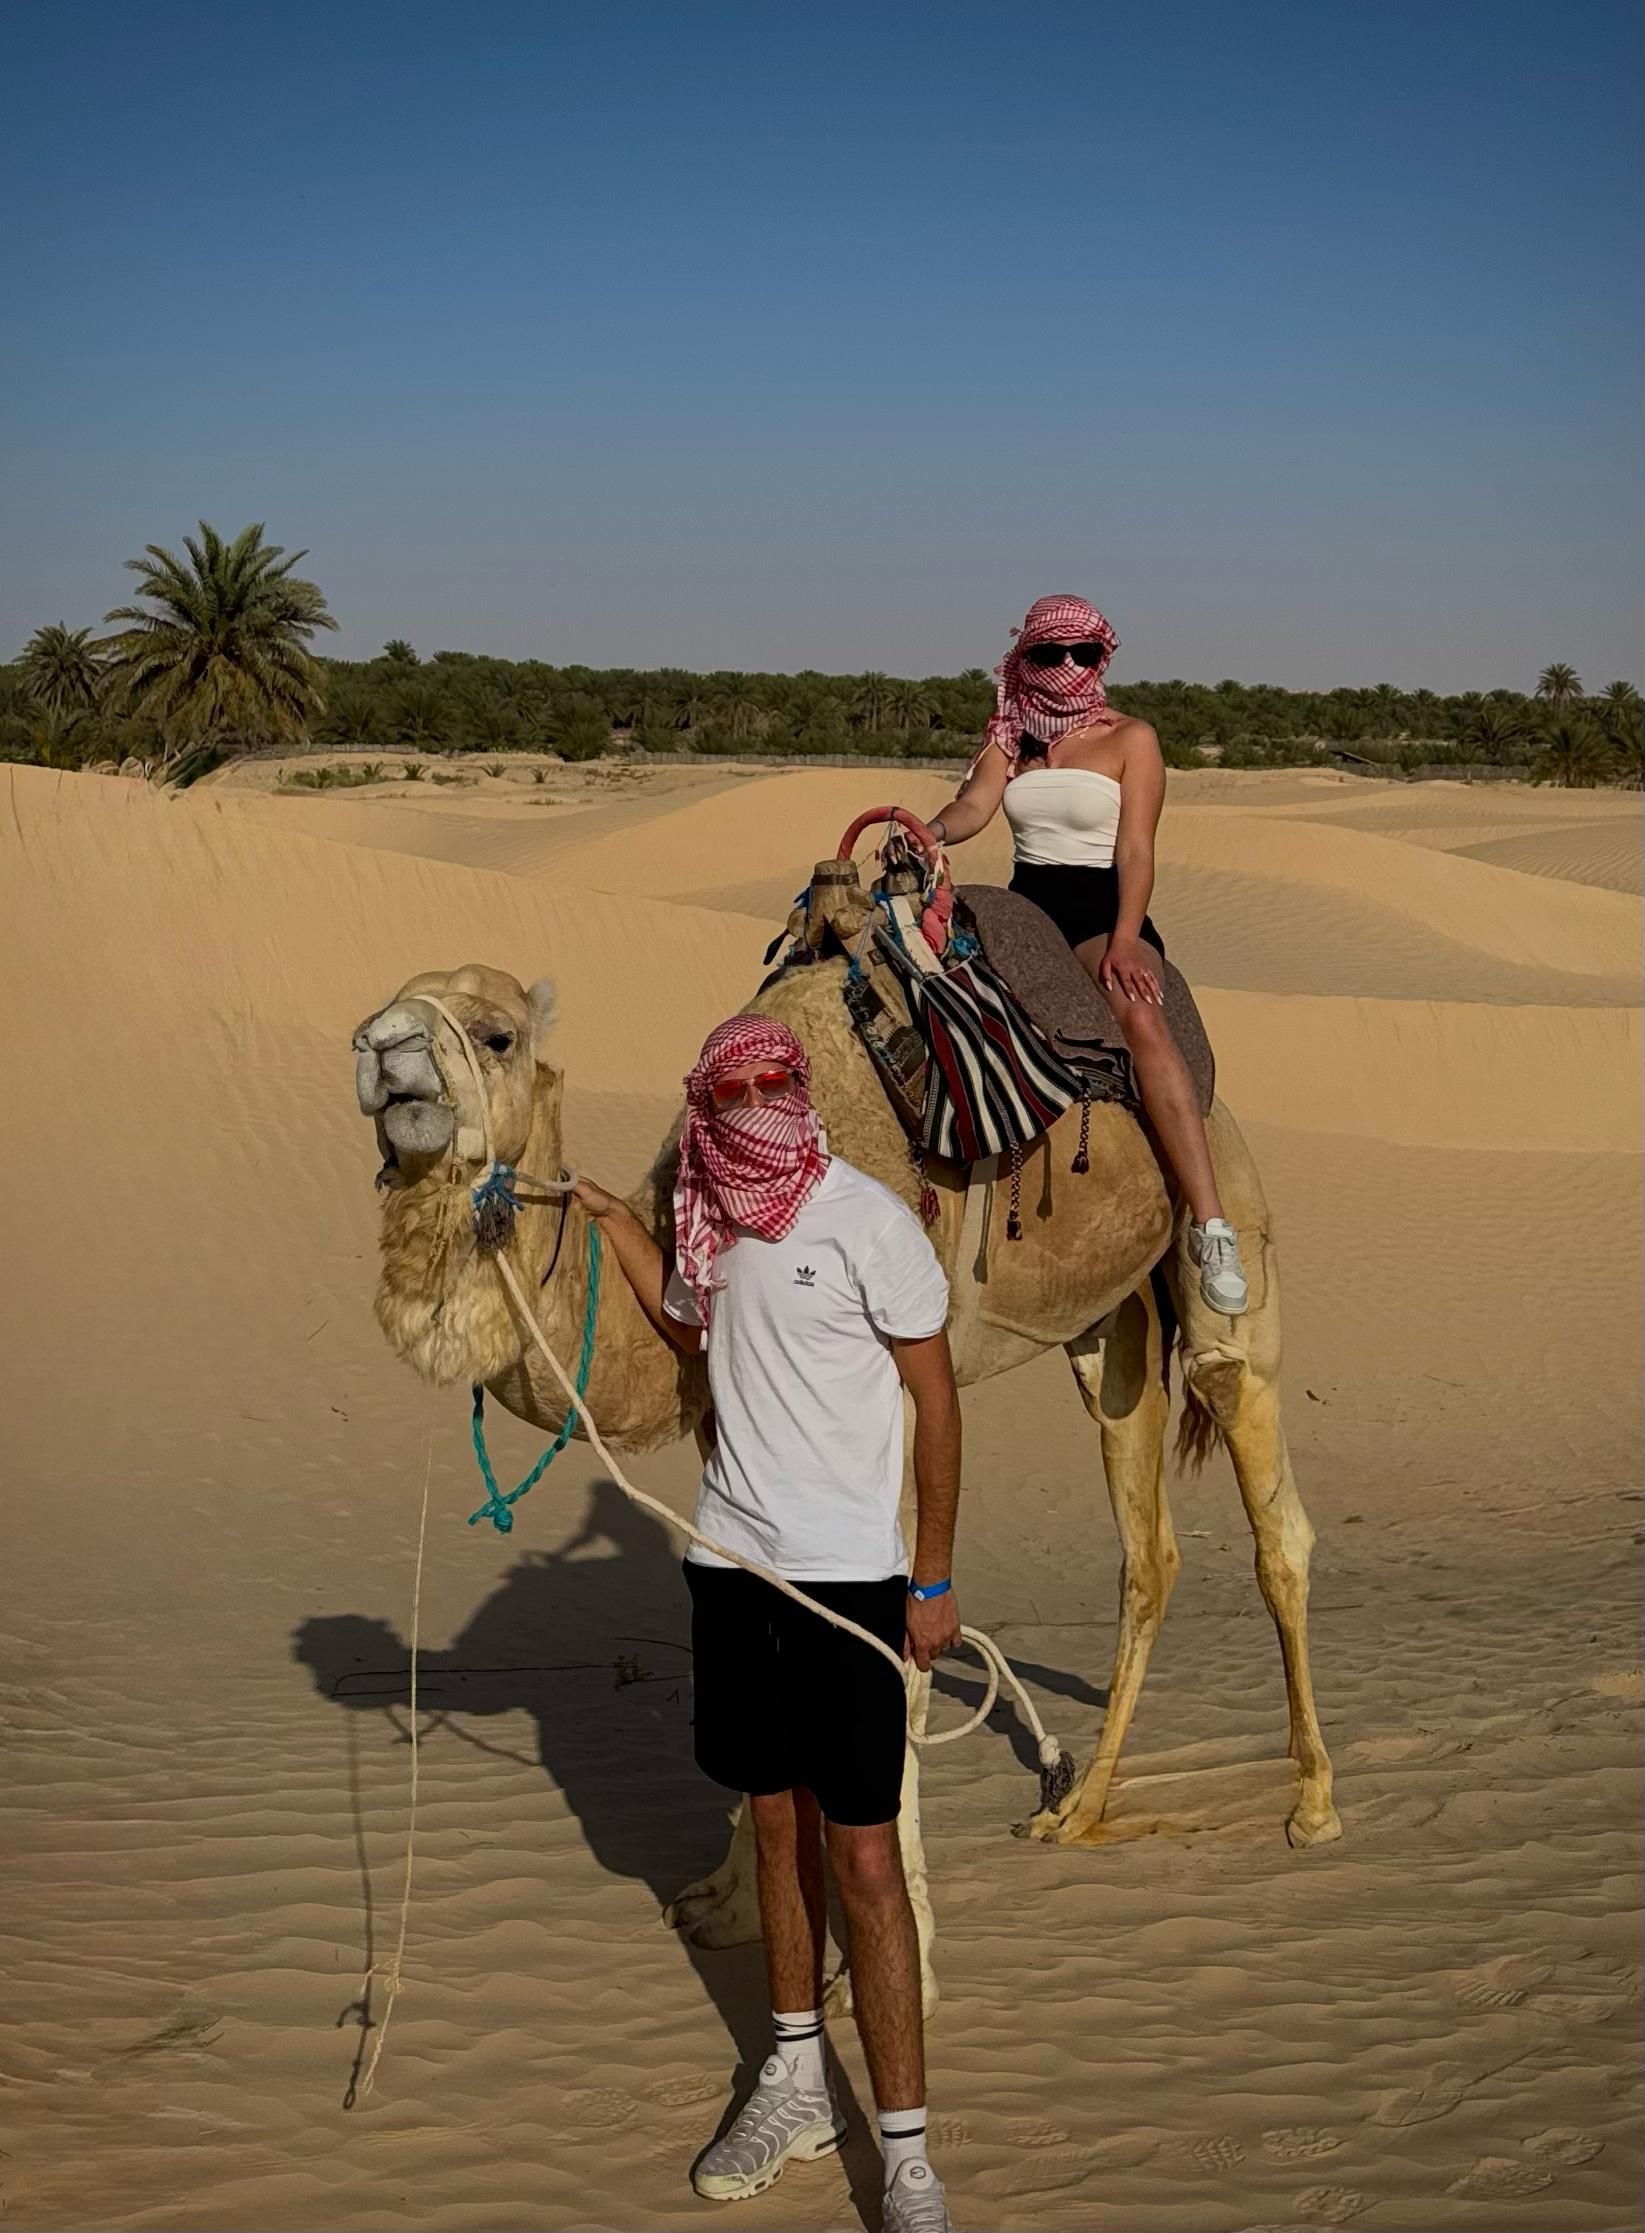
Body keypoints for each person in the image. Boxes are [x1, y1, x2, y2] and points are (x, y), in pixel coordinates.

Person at [573, 1015, 966, 2233]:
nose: (751, 1102)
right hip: (732, 1568)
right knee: (774, 1829)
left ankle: (904, 2156)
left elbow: (936, 1401)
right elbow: (690, 1321)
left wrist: (935, 1578)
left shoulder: (867, 1220)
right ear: (706, 1098)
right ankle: (795, 2073)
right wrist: (615, 1221)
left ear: (799, 1089)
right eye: (728, 1087)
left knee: (864, 1861)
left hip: (849, 1582)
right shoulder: (712, 1218)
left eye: (769, 1082)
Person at [927, 592, 1249, 1315]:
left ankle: (1211, 1224)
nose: (1066, 666)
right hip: (1024, 903)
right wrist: (930, 831)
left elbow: (1136, 846)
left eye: (1083, 653)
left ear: (1101, 657)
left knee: (1140, 1018)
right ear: (1025, 658)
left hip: (1101, 905)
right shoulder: (1009, 741)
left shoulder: (1131, 738)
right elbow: (974, 807)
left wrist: (1129, 934)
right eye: (1049, 653)